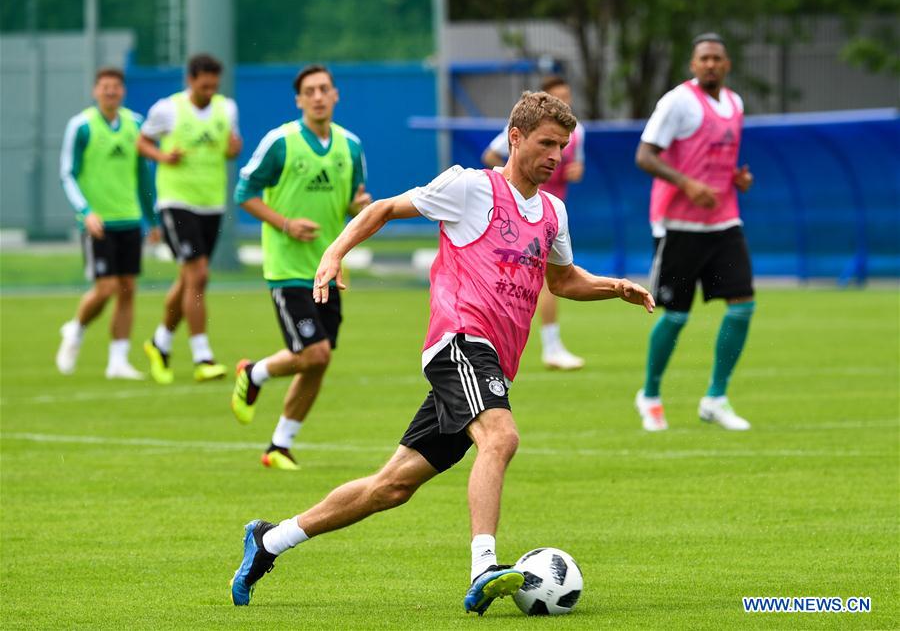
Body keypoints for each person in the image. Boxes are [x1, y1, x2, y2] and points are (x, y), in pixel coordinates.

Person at [229, 92, 654, 612]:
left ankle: (269, 541)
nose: (555, 156)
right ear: (515, 137)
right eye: (546, 143)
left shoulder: (552, 212)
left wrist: (614, 287)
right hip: (458, 341)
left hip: (492, 362)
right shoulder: (471, 187)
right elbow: (384, 208)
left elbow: (564, 281)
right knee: (501, 437)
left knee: (391, 488)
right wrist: (335, 252)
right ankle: (485, 569)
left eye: (562, 146)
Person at [230, 65, 371, 470]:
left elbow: (349, 203)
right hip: (287, 267)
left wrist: (357, 207)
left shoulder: (351, 146)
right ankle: (255, 373)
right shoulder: (281, 142)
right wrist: (286, 224)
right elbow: (245, 192)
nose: (318, 96)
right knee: (315, 353)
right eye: (309, 91)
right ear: (298, 100)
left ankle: (279, 445)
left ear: (336, 95)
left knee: (318, 360)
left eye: (324, 89)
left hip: (327, 268)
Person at [633, 33, 755, 432]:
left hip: (723, 221)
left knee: (742, 305)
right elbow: (645, 156)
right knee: (677, 316)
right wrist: (687, 184)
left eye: (717, 58)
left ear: (727, 64)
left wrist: (738, 177)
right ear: (693, 64)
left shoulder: (735, 104)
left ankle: (716, 398)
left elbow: (721, 157)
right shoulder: (677, 102)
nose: (710, 64)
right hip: (678, 225)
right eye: (703, 58)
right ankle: (649, 394)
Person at [137, 53, 242, 384]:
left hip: (211, 202)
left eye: (214, 86)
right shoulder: (167, 109)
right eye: (204, 85)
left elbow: (230, 149)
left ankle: (160, 343)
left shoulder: (227, 109)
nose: (209, 91)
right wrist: (162, 156)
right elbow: (142, 141)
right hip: (176, 201)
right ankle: (202, 357)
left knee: (189, 279)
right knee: (198, 274)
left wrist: (233, 148)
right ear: (190, 80)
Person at [56, 67, 159, 379]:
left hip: (130, 220)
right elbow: (67, 173)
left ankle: (118, 361)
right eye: (105, 87)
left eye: (116, 87)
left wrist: (151, 219)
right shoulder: (82, 126)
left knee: (127, 289)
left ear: (123, 91)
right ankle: (76, 328)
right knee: (106, 288)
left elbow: (144, 175)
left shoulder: (136, 124)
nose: (110, 92)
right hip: (97, 222)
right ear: (95, 91)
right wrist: (85, 211)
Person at [482, 75, 586, 370]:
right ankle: (549, 348)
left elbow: (576, 167)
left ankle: (543, 346)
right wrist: (501, 184)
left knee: (543, 280)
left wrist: (575, 170)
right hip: (516, 213)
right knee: (538, 280)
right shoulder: (524, 128)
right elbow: (491, 154)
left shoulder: (578, 133)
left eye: (567, 97)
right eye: (558, 97)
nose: (565, 102)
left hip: (550, 213)